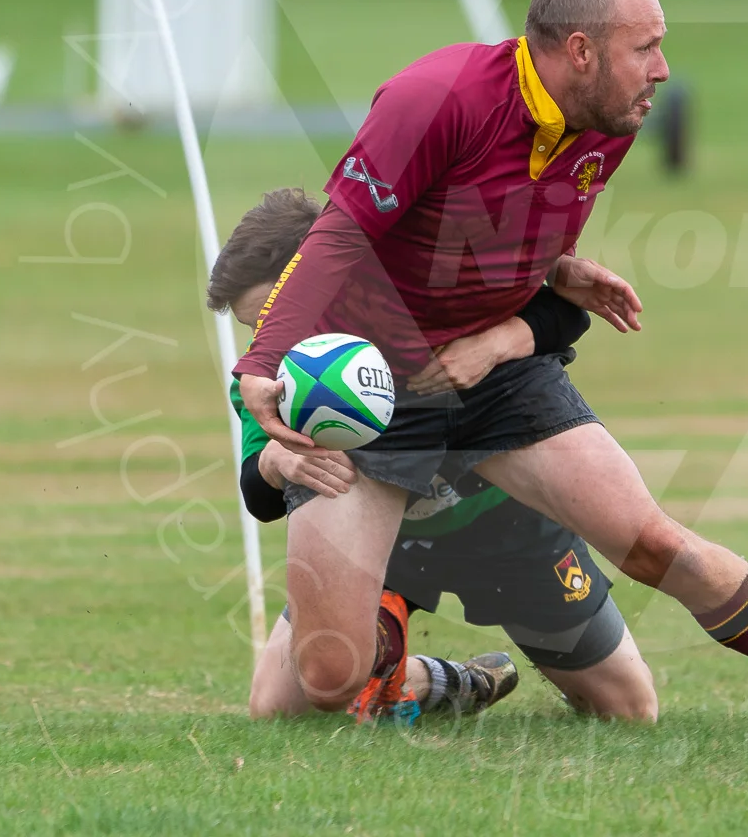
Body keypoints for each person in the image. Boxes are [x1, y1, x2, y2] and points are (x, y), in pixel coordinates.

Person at [236, 0, 748, 737]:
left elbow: (481, 229)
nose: (662, 70)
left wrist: (549, 277)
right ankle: (411, 647)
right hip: (375, 390)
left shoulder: (605, 125)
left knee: (656, 546)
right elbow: (342, 234)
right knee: (324, 680)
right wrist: (261, 364)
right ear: (582, 51)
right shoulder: (437, 98)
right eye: (646, 47)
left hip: (501, 384)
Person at [209, 187, 658, 722]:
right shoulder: (269, 381)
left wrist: (496, 344)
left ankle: (552, 664)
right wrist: (278, 464)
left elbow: (558, 314)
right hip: (382, 545)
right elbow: (257, 496)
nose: (266, 341)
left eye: (274, 318)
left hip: (508, 531)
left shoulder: (423, 304)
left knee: (629, 710)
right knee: (277, 707)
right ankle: (442, 680)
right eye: (253, 329)